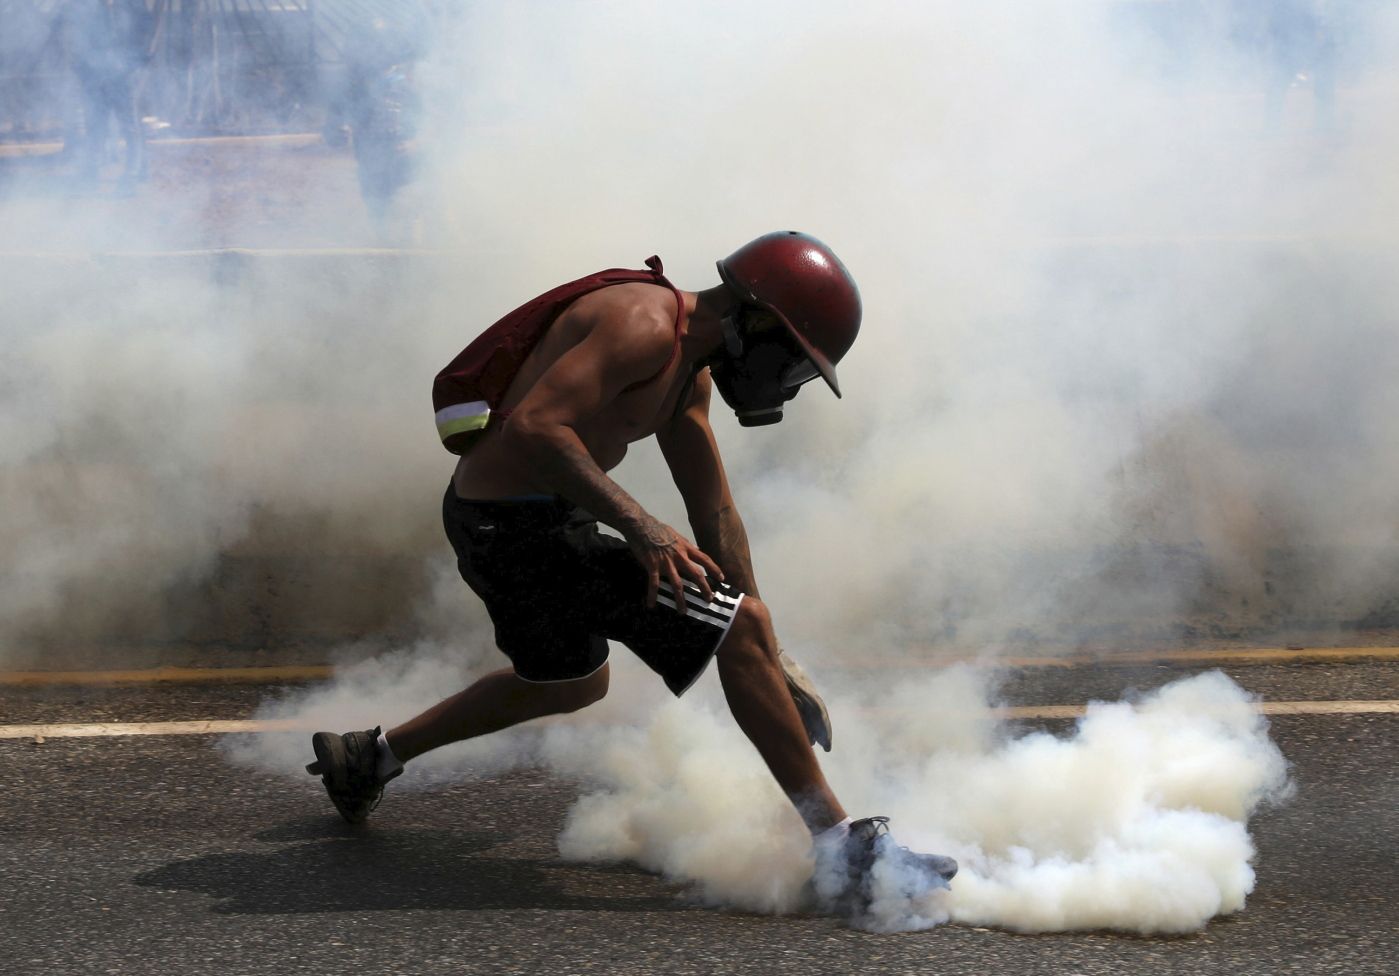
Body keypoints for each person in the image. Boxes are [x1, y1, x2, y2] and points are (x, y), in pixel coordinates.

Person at [307, 232, 957, 917]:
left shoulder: (687, 376)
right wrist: (645, 530)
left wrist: (771, 652)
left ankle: (369, 758)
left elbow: (714, 510)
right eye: (795, 365)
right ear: (762, 325)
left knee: (570, 682)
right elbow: (533, 427)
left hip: (516, 523)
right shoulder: (643, 325)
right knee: (733, 626)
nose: (787, 386)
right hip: (514, 529)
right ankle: (840, 849)